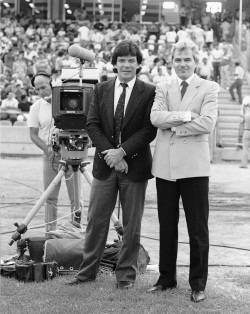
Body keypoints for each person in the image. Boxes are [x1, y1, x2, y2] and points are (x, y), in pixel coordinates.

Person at [66, 40, 157, 288]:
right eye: (121, 60)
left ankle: (126, 277)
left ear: (138, 64)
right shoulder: (101, 89)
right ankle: (86, 273)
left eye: (131, 60)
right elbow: (92, 124)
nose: (126, 64)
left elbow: (149, 129)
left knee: (131, 225)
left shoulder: (149, 91)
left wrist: (123, 153)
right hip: (106, 166)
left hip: (135, 167)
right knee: (96, 220)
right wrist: (112, 155)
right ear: (114, 64)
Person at [148, 39, 219, 302]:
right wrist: (189, 116)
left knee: (197, 228)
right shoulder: (162, 87)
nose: (182, 64)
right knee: (167, 226)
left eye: (187, 59)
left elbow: (208, 123)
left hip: (195, 168)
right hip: (165, 168)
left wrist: (176, 123)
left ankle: (198, 283)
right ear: (171, 62)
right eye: (178, 59)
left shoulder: (209, 87)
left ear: (196, 61)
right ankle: (166, 277)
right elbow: (155, 118)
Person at [28, 73, 82, 233]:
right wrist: (47, 149)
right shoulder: (35, 107)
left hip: (72, 152)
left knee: (76, 197)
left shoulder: (68, 101)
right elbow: (33, 134)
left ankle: (76, 231)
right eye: (37, 89)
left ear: (51, 83)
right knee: (50, 197)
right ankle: (50, 232)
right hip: (50, 156)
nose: (41, 91)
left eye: (43, 87)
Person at [239, 95, 250, 168]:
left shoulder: (246, 115)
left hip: (247, 131)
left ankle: (244, 164)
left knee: (245, 148)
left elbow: (241, 122)